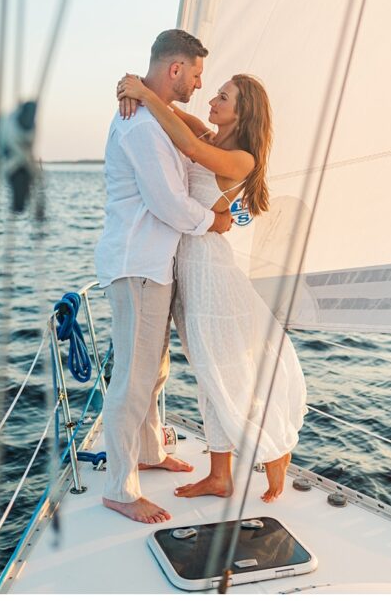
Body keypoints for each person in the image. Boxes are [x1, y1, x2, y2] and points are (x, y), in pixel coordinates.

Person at [116, 70, 307, 502]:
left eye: (223, 96)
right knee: (208, 373)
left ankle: (274, 448)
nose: (212, 100)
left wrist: (143, 92)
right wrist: (133, 87)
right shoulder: (214, 135)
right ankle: (220, 475)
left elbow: (188, 146)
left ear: (244, 112)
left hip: (208, 272)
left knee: (223, 371)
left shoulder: (242, 158)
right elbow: (174, 114)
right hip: (187, 267)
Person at [93, 29, 234, 525]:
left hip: (155, 265)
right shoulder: (140, 127)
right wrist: (213, 222)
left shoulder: (154, 115)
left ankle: (150, 452)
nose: (199, 84)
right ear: (175, 69)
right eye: (196, 74)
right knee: (133, 379)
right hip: (138, 267)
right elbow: (167, 202)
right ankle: (119, 487)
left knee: (153, 372)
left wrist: (138, 87)